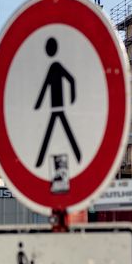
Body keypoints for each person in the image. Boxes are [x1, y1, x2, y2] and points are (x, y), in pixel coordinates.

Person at [33, 37, 81, 168]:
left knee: (53, 133)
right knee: (56, 132)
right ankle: (77, 156)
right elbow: (45, 86)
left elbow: (70, 80)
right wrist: (38, 103)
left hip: (58, 107)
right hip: (56, 107)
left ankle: (40, 160)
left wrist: (72, 98)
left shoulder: (56, 66)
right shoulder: (54, 67)